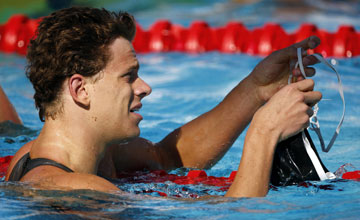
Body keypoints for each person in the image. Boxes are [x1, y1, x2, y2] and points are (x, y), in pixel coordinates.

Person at [5, 7, 321, 197]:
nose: (145, 88)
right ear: (80, 90)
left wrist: (255, 90)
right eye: (129, 76)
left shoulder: (96, 155)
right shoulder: (74, 191)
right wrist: (263, 133)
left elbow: (168, 157)